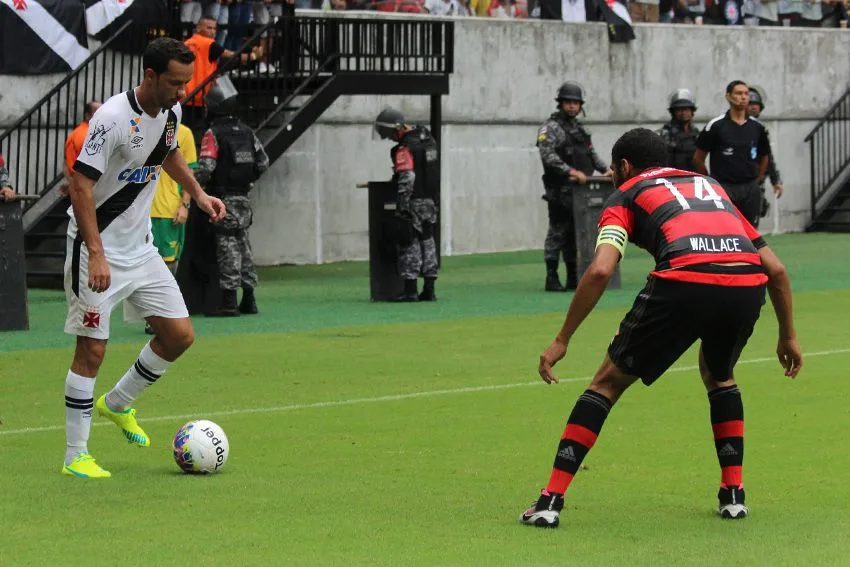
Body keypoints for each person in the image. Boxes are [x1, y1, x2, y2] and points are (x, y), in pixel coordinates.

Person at [519, 128, 802, 528]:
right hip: (745, 281)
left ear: (624, 166)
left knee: (605, 383)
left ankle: (550, 500)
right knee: (719, 376)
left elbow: (601, 268)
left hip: (684, 281)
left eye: (615, 170)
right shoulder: (710, 186)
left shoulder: (626, 194)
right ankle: (733, 493)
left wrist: (562, 339)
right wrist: (787, 335)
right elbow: (776, 268)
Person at [61, 38, 226, 479]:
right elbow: (80, 185)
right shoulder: (111, 118)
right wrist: (96, 254)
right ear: (150, 76)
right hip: (97, 251)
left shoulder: (170, 114)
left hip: (141, 249)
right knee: (92, 351)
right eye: (174, 83)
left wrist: (198, 193)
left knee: (178, 336)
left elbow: (167, 152)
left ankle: (117, 404)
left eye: (185, 83)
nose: (182, 92)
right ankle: (75, 455)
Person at [195, 76, 268, 316]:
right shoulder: (246, 131)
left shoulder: (212, 133)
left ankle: (228, 302)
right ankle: (250, 299)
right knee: (244, 244)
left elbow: (206, 167)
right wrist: (245, 182)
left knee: (227, 246)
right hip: (243, 197)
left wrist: (196, 189)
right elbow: (263, 162)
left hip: (222, 199)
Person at [537, 81, 612, 292]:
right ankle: (551, 277)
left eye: (575, 103)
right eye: (568, 102)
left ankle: (573, 276)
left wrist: (606, 170)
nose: (572, 106)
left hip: (581, 191)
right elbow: (547, 155)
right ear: (560, 104)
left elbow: (591, 154)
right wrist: (570, 171)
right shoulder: (550, 128)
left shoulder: (580, 129)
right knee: (557, 233)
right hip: (560, 190)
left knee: (575, 234)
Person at [374, 107, 440, 302]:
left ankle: (410, 290)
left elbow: (407, 176)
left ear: (397, 128)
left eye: (390, 134)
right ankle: (429, 289)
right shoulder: (427, 139)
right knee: (428, 240)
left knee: (409, 242)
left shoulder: (405, 147)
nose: (390, 139)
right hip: (430, 199)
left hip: (414, 200)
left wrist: (402, 205)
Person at [141, 122, 197, 334]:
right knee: (147, 264)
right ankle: (155, 315)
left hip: (167, 209)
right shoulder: (142, 128)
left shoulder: (184, 133)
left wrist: (185, 204)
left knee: (168, 263)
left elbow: (190, 172)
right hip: (143, 210)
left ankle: (163, 315)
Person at [693, 80, 772, 226]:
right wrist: (711, 182)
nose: (743, 97)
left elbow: (764, 157)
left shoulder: (757, 127)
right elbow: (698, 158)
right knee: (725, 230)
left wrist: (757, 181)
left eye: (746, 94)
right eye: (738, 93)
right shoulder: (715, 126)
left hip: (750, 188)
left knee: (751, 234)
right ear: (728, 97)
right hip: (724, 187)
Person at [182, 16, 263, 140]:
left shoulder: (187, 43)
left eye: (214, 28)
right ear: (198, 28)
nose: (212, 31)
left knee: (184, 131)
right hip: (199, 96)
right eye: (209, 27)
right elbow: (233, 56)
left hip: (185, 95)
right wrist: (253, 55)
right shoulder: (208, 43)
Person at [746, 86, 784, 227]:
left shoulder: (760, 130)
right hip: (735, 183)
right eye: (750, 104)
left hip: (755, 182)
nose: (753, 108)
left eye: (756, 105)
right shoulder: (730, 127)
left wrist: (776, 180)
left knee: (753, 224)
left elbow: (768, 158)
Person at [656, 88, 699, 171]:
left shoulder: (695, 132)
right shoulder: (664, 133)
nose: (683, 113)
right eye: (679, 110)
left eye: (686, 109)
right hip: (672, 177)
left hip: (693, 177)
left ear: (692, 112)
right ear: (673, 112)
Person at [63, 101, 102, 192]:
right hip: (87, 187)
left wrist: (71, 182)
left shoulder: (76, 133)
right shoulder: (89, 135)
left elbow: (65, 164)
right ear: (87, 115)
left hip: (78, 186)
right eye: (98, 111)